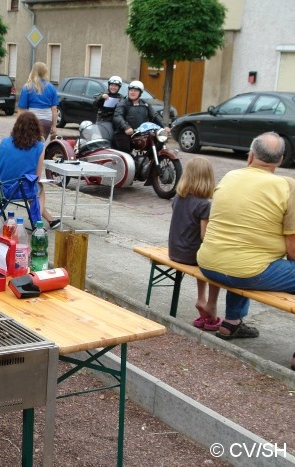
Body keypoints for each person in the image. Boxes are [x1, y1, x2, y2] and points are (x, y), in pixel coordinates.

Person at [197, 132, 295, 340]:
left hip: (209, 264)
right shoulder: (287, 186)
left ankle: (231, 323)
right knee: (251, 263)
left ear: (250, 156)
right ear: (280, 160)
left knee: (248, 256)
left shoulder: (230, 176)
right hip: (245, 271)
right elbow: (292, 246)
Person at [168, 157, 221, 331]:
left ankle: (201, 298)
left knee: (202, 257)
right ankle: (208, 303)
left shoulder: (178, 198)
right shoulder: (204, 205)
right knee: (216, 263)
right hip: (191, 255)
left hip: (174, 251)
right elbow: (204, 236)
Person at [0, 111, 60, 229]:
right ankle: (37, 222)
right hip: (20, 190)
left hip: (0, 188)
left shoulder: (4, 142)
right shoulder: (39, 147)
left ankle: (50, 219)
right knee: (38, 188)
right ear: (36, 128)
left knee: (27, 184)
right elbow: (37, 177)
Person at [112, 80, 168, 153]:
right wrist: (126, 127)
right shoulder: (123, 103)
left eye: (135, 91)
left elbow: (155, 115)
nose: (132, 92)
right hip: (124, 133)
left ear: (140, 93)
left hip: (140, 133)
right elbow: (117, 116)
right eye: (131, 90)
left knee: (157, 141)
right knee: (127, 151)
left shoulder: (145, 104)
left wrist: (164, 126)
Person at [17, 62, 59, 141]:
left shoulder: (27, 87)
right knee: (41, 144)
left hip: (32, 121)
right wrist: (54, 126)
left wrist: (19, 125)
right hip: (47, 121)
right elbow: (54, 109)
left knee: (30, 145)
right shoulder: (51, 87)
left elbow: (21, 109)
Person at [93, 75, 123, 139]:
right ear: (109, 85)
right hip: (102, 121)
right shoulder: (103, 94)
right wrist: (101, 97)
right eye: (112, 85)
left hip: (115, 123)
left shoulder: (120, 97)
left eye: (116, 86)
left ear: (119, 87)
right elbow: (95, 104)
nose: (113, 87)